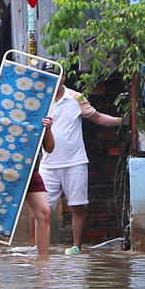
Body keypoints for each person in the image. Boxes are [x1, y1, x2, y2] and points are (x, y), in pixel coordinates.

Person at [40, 79, 125, 254]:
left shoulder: (76, 97)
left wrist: (122, 121)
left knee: (77, 207)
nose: (53, 79)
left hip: (75, 162)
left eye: (57, 75)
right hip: (48, 164)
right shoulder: (38, 97)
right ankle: (41, 250)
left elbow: (98, 117)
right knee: (42, 210)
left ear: (63, 77)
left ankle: (76, 247)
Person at [0, 101, 55, 258]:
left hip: (30, 170)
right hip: (6, 170)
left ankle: (43, 262)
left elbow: (49, 148)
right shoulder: (5, 100)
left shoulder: (41, 107)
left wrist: (48, 128)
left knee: (44, 213)